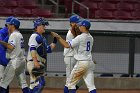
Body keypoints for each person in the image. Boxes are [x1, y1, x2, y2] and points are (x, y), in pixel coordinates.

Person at [51, 19, 96, 93]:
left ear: (84, 27)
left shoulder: (80, 37)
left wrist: (58, 37)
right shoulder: (91, 37)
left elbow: (66, 45)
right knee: (91, 86)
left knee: (70, 84)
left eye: (81, 25)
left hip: (82, 63)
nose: (79, 27)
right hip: (90, 63)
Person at [27, 17, 57, 93]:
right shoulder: (34, 36)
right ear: (37, 26)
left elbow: (48, 50)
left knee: (36, 84)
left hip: (38, 63)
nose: (45, 27)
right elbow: (32, 49)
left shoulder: (42, 38)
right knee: (37, 84)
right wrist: (35, 62)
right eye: (43, 25)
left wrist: (55, 40)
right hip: (34, 62)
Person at [0, 17, 29, 93]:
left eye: (9, 25)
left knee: (3, 83)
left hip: (14, 61)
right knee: (23, 84)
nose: (8, 26)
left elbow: (11, 46)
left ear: (13, 25)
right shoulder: (19, 34)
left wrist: (1, 42)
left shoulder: (13, 35)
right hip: (22, 61)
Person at [63, 15, 83, 93]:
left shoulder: (76, 32)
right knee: (70, 81)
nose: (78, 25)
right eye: (77, 23)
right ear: (72, 23)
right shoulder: (70, 33)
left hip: (75, 57)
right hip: (70, 57)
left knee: (81, 79)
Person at [0, 16, 14, 93]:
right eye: (12, 24)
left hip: (7, 59)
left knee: (5, 79)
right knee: (2, 79)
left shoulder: (13, 33)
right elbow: (2, 45)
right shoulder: (2, 32)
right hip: (2, 59)